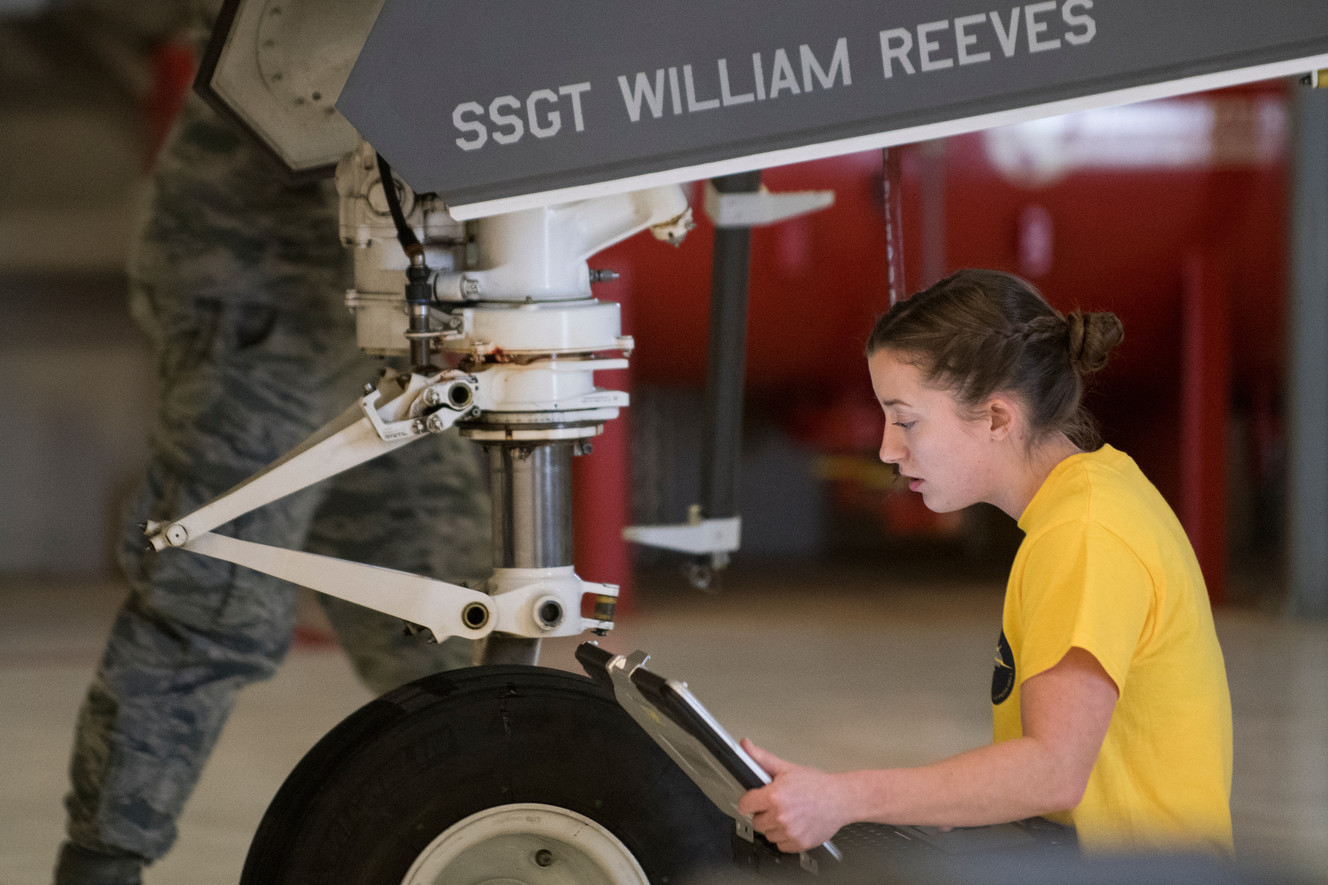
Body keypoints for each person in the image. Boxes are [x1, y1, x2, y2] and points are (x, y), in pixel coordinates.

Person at [53, 7, 491, 884]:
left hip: (381, 312)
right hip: (260, 283)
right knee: (212, 598)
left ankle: (497, 818)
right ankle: (102, 863)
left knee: (444, 600)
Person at [738, 269, 1233, 858]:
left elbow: (1052, 770)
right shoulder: (1093, 496)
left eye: (907, 420)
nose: (888, 450)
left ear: (998, 418)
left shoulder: (1085, 533)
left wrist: (844, 798)